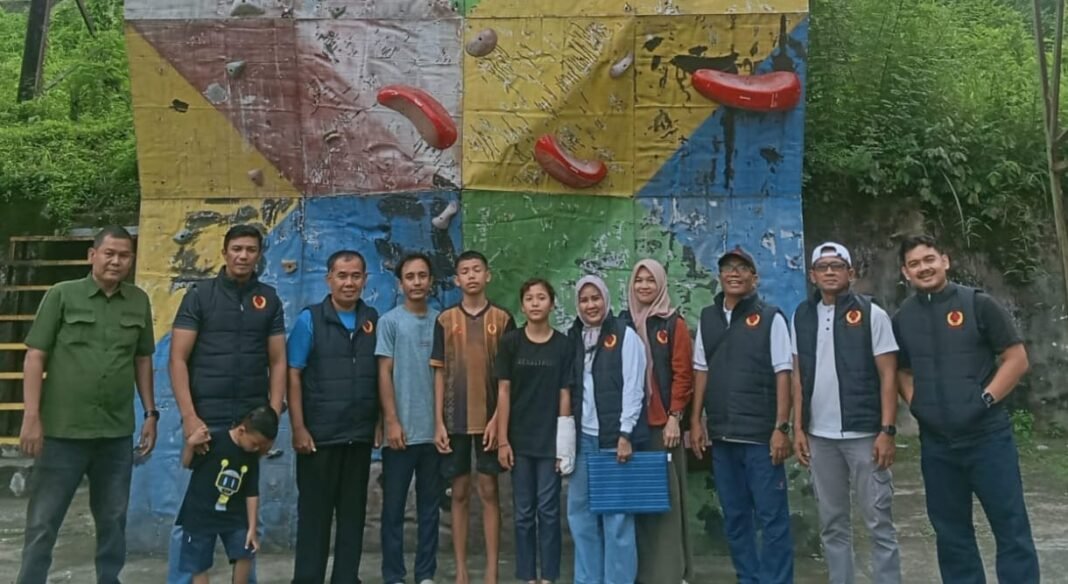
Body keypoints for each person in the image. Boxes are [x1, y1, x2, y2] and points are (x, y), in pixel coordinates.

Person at [892, 234, 1039, 583]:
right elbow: (902, 371)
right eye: (914, 264)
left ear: (945, 260)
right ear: (905, 272)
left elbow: (1016, 359)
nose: (923, 268)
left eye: (929, 259)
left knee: (1010, 526)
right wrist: (919, 405)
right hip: (938, 445)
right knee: (951, 534)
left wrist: (985, 399)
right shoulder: (902, 318)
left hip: (988, 439)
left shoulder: (978, 304)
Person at [16, 226, 157, 584]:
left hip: (114, 435)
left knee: (113, 521)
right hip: (62, 433)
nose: (116, 261)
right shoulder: (62, 295)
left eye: (124, 255)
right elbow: (35, 356)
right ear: (92, 255)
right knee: (43, 522)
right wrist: (31, 417)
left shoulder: (138, 301)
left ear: (131, 260)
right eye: (109, 253)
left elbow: (142, 359)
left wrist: (150, 413)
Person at [168, 224, 287, 583]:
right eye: (237, 249)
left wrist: (272, 418)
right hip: (206, 422)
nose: (243, 256)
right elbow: (177, 359)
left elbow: (278, 360)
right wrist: (190, 417)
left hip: (247, 427)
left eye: (250, 250)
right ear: (224, 252)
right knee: (193, 517)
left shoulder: (269, 299)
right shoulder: (200, 296)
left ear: (259, 255)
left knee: (246, 517)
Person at [791, 242, 901, 584]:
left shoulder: (872, 314)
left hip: (865, 435)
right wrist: (798, 428)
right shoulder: (802, 316)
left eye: (836, 266)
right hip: (819, 438)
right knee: (832, 523)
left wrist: (887, 430)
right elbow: (797, 375)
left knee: (878, 521)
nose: (829, 272)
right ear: (812, 275)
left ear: (850, 273)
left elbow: (888, 375)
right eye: (822, 267)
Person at [689, 246, 794, 584]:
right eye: (727, 268)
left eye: (742, 268)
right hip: (722, 437)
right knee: (735, 517)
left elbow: (783, 373)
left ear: (754, 278)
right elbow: (701, 370)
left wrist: (781, 427)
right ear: (719, 276)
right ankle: (748, 578)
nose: (734, 273)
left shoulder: (771, 318)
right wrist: (696, 420)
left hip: (761, 438)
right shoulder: (708, 318)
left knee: (772, 518)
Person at [286, 250, 380, 583]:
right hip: (319, 438)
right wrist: (298, 427)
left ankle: (346, 578)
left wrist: (379, 421)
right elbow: (293, 373)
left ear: (365, 280)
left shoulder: (372, 319)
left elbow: (380, 374)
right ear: (329, 279)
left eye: (355, 276)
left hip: (358, 436)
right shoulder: (309, 320)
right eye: (342, 275)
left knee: (353, 518)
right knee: (315, 518)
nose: (349, 282)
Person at [431, 250, 515, 584]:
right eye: (464, 271)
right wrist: (438, 421)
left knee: (489, 491)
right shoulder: (445, 320)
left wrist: (499, 420)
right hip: (455, 421)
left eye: (477, 269)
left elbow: (507, 379)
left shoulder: (503, 319)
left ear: (487, 275)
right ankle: (462, 571)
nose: (471, 276)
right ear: (457, 280)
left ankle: (492, 571)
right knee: (459, 492)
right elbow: (439, 373)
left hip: (491, 422)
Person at [565, 275, 647, 584]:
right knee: (581, 517)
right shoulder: (573, 338)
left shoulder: (625, 336)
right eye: (584, 300)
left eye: (595, 298)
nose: (590, 305)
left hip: (614, 439)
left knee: (617, 518)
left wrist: (625, 433)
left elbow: (634, 389)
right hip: (582, 440)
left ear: (606, 300)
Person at [622, 259, 695, 584]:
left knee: (666, 503)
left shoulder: (672, 323)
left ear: (661, 284)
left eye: (650, 280)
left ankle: (669, 574)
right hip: (630, 429)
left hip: (662, 428)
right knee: (635, 503)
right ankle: (639, 573)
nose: (644, 286)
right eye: (639, 280)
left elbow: (683, 375)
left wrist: (674, 418)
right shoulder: (622, 323)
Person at [495, 279, 573, 584]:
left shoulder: (564, 345)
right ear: (523, 305)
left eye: (542, 297)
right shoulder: (510, 343)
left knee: (549, 511)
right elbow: (503, 391)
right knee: (524, 513)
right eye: (529, 298)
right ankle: (527, 576)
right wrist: (503, 440)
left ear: (552, 304)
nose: (536, 303)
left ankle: (549, 576)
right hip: (519, 440)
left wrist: (563, 445)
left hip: (549, 440)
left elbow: (565, 394)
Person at [377, 252, 442, 584]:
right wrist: (391, 421)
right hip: (400, 434)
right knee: (393, 510)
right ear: (400, 283)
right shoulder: (389, 322)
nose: (417, 282)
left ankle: (425, 574)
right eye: (410, 277)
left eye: (422, 276)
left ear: (431, 281)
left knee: (430, 510)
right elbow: (384, 373)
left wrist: (442, 425)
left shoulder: (442, 321)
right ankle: (393, 575)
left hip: (434, 435)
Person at [175, 406, 278, 584]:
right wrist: (190, 444)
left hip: (234, 515)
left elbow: (252, 493)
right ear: (241, 431)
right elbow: (187, 463)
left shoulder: (251, 456)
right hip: (199, 514)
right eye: (254, 443)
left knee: (245, 551)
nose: (256, 449)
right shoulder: (213, 441)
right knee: (198, 565)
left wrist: (252, 528)